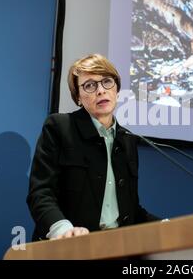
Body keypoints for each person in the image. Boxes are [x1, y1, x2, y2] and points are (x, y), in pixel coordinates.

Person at [27, 54, 158, 241]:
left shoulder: (127, 140)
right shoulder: (60, 127)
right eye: (89, 85)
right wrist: (62, 229)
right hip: (68, 246)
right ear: (78, 97)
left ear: (117, 89)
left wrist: (165, 226)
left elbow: (131, 210)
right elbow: (41, 192)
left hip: (117, 247)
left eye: (107, 82)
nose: (101, 91)